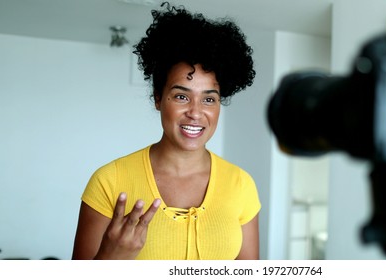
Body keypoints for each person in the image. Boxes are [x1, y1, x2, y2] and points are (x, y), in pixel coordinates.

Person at [71, 2, 260, 260]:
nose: (195, 112)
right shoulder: (108, 182)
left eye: (209, 99)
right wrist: (111, 258)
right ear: (158, 98)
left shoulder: (241, 185)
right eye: (181, 96)